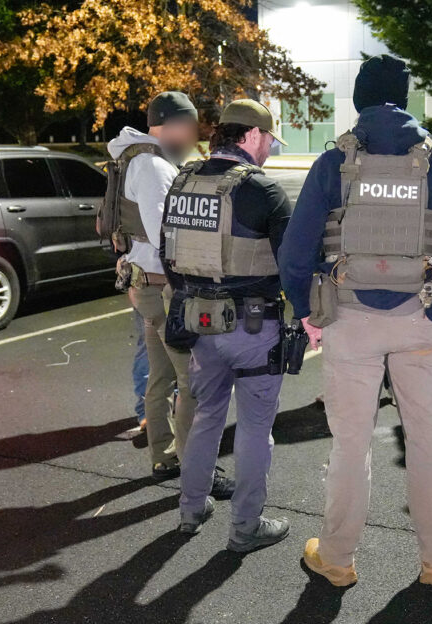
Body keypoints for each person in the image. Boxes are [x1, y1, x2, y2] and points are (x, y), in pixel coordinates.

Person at [279, 53, 432, 587]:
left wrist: (309, 313)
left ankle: (339, 559)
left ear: (359, 100)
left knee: (350, 442)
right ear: (406, 97)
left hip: (349, 317)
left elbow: (294, 253)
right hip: (418, 315)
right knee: (425, 436)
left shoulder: (333, 164)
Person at [170, 99, 294, 553]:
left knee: (206, 417)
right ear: (252, 136)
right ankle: (246, 527)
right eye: (269, 142)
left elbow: (171, 257)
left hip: (198, 322)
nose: (269, 152)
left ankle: (190, 507)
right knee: (255, 427)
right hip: (253, 327)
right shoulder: (263, 190)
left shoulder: (183, 182)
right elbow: (293, 265)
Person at [105, 91, 235, 496]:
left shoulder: (131, 157)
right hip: (162, 285)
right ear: (174, 125)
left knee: (160, 374)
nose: (192, 135)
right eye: (189, 126)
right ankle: (198, 471)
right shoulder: (155, 167)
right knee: (192, 379)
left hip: (141, 280)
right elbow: (169, 237)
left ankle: (163, 455)